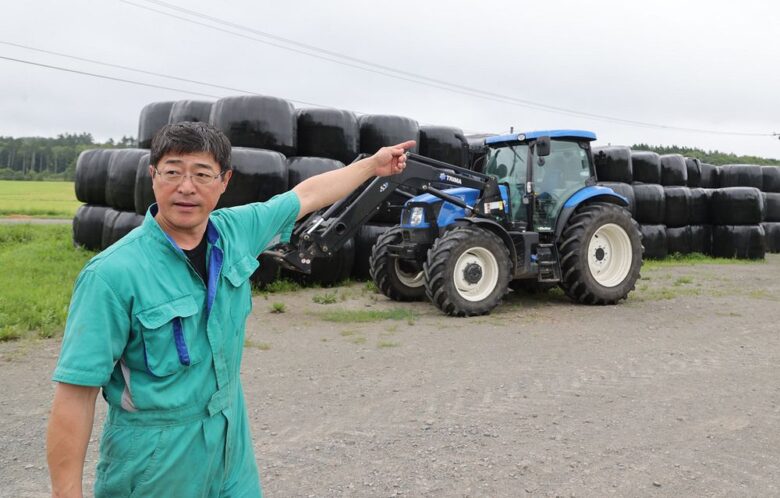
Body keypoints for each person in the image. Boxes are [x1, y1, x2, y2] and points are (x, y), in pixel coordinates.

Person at [46, 121, 415, 498]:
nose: (186, 187)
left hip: (230, 446)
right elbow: (75, 395)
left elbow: (306, 195)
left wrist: (372, 166)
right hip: (155, 465)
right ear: (153, 175)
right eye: (172, 172)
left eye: (202, 174)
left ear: (224, 181)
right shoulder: (112, 275)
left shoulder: (237, 232)